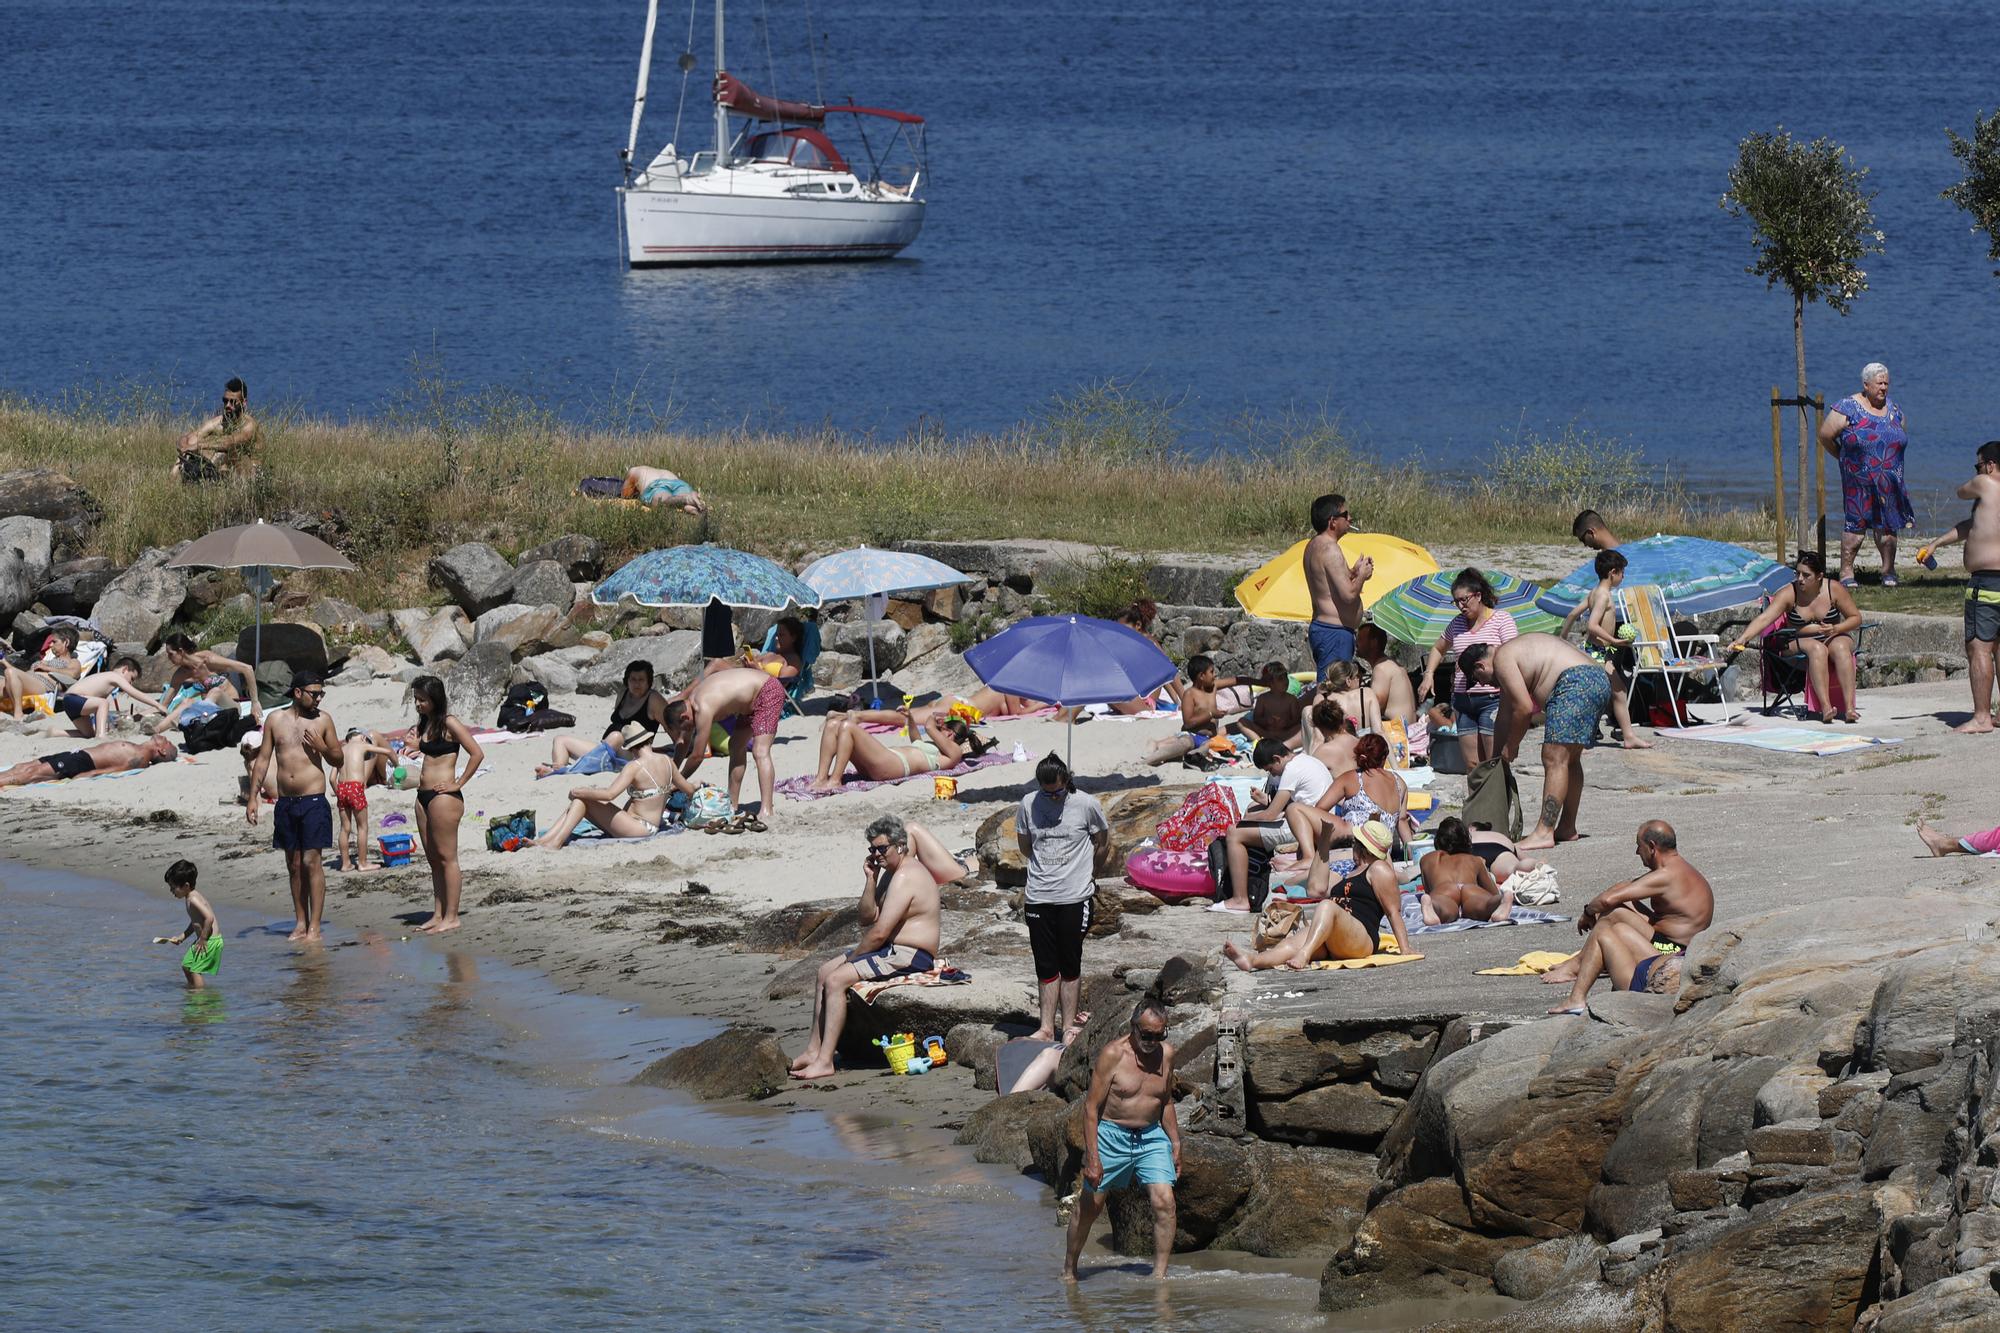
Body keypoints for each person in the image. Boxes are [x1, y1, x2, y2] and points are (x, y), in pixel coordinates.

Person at [787, 817, 968, 1080]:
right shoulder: (892, 873)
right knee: (824, 971)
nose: (877, 854)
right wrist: (871, 879)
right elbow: (866, 917)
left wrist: (855, 959)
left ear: (901, 846)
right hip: (891, 950)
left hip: (911, 955)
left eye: (882, 849)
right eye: (872, 849)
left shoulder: (907, 875)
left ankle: (826, 1061)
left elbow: (880, 932)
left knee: (836, 980)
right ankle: (813, 1051)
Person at [1062, 999, 1180, 1282]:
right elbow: (1091, 1108)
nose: (1152, 1041)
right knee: (1091, 1206)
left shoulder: (1166, 1055)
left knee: (1165, 1202)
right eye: (1146, 1034)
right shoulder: (1113, 1054)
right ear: (1133, 1027)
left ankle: (1159, 1277)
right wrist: (1093, 1157)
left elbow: (1164, 1100)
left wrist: (1175, 1143)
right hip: (1112, 1135)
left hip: (1151, 1136)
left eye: (1159, 1035)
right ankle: (1069, 1271)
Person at [1460, 634, 1611, 850]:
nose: (1483, 684)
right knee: (1569, 759)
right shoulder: (1510, 657)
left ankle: (1544, 832)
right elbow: (1504, 717)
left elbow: (1523, 709)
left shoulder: (1502, 658)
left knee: (1553, 757)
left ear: (1480, 665)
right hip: (1597, 678)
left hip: (1576, 681)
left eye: (1477, 679)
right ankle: (1567, 827)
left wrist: (1512, 745)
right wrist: (1496, 761)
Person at [1546, 821, 1712, 1013]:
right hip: (1671, 947)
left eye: (1638, 846)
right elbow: (1622, 888)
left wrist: (1587, 913)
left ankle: (1577, 978)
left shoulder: (1666, 875)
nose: (1636, 852)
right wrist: (1595, 906)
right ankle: (1579, 965)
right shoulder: (1677, 868)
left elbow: (1608, 900)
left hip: (1672, 948)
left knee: (1611, 917)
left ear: (1651, 847)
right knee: (1615, 914)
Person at [1223, 818, 1410, 969]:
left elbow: (1393, 911)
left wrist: (1405, 948)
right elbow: (1317, 888)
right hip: (1340, 936)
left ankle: (1304, 954)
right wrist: (1324, 842)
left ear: (1361, 847)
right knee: (1294, 942)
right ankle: (1252, 961)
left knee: (1327, 906)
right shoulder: (1352, 872)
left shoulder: (1379, 869)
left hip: (1362, 938)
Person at [1017, 753, 1109, 1042]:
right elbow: (1025, 846)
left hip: (1074, 895)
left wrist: (1090, 871)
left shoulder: (1086, 804)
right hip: (1039, 895)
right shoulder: (1028, 804)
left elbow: (1103, 840)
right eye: (1047, 792)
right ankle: (1046, 1027)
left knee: (1069, 962)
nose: (1053, 797)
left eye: (1057, 791)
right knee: (1045, 964)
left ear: (1066, 780)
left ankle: (1069, 1025)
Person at [246, 671, 342, 941]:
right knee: (294, 864)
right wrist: (253, 797)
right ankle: (300, 922)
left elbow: (338, 759)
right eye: (314, 693)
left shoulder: (324, 720)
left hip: (313, 799)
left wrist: (323, 746)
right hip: (286, 802)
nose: (319, 698)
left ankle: (315, 926)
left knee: (312, 861)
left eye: (321, 693)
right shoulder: (275, 720)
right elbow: (263, 760)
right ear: (298, 693)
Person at [1914, 441, 2000, 733]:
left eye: (1978, 465)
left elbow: (1961, 492)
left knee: (1979, 648)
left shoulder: (1986, 482)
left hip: (1986, 583)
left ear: (1989, 465)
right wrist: (1936, 542)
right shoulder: (1991, 504)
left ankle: (1981, 717)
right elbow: (1972, 525)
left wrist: (1978, 478)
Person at [1724, 552, 1864, 722]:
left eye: (1806, 575)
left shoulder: (1833, 589)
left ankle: (1849, 708)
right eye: (1797, 573)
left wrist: (1836, 628)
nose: (1800, 579)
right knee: (1817, 648)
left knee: (1841, 647)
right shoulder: (1789, 593)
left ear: (1819, 576)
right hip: (1798, 641)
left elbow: (1856, 618)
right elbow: (1765, 618)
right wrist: (1743, 639)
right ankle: (1826, 708)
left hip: (1833, 634)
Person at [534, 711, 694, 848]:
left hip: (639, 828)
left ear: (631, 748)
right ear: (649, 741)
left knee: (580, 798)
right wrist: (699, 786)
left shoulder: (634, 766)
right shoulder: (667, 761)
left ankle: (553, 842)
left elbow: (610, 794)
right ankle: (546, 840)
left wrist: (581, 790)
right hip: (651, 826)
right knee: (580, 800)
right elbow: (687, 789)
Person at [1819, 362, 1913, 588]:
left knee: (1888, 527)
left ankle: (1888, 571)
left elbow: (1901, 435)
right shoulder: (1847, 407)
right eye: (1879, 383)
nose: (1884, 388)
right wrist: (1843, 458)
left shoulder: (1894, 409)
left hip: (1890, 480)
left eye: (1886, 384)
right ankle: (1846, 572)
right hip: (1858, 480)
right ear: (1866, 384)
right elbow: (1825, 436)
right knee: (1855, 525)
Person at [1418, 569, 1520, 773]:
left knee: (1495, 762)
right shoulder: (1457, 623)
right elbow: (1439, 648)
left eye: (1464, 600)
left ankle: (1497, 803)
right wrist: (1429, 674)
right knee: (1472, 765)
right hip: (1463, 700)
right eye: (1456, 602)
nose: (1460, 606)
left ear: (1478, 595)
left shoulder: (1501, 620)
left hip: (1493, 698)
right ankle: (1478, 804)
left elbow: (1513, 656)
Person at [1213, 738, 1331, 912]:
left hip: (1306, 826)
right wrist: (1264, 801)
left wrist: (1243, 820)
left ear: (1277, 758)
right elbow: (1289, 804)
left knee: (1233, 833)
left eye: (1270, 770)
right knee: (1253, 812)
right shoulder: (1307, 760)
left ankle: (1240, 899)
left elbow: (1271, 815)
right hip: (1316, 821)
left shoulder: (1291, 769)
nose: (1274, 775)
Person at [408, 675, 484, 933]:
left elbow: (477, 752)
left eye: (422, 700)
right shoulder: (427, 723)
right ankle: (438, 914)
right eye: (416, 699)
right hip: (423, 797)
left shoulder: (449, 722)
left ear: (435, 699)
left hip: (444, 798)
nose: (418, 704)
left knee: (447, 858)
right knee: (433, 859)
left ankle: (452, 916)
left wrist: (458, 783)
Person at [1297, 734, 1413, 896]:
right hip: (1380, 849)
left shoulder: (1352, 778)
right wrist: (1412, 853)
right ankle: (1396, 876)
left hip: (1353, 845)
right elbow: (1401, 821)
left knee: (1295, 809)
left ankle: (1309, 855)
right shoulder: (1399, 782)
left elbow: (1320, 808)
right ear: (1384, 757)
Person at [674, 665, 785, 818]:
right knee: (735, 745)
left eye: (687, 727)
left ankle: (767, 809)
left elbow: (697, 755)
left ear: (684, 717)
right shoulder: (690, 703)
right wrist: (672, 773)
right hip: (750, 702)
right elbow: (683, 743)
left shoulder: (702, 707)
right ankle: (732, 804)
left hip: (768, 691)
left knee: (760, 751)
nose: (689, 730)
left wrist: (678, 781)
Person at [810, 708, 992, 790]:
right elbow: (915, 738)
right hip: (885, 760)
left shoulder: (954, 754)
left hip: (892, 766)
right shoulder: (932, 746)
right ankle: (821, 778)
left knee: (848, 726)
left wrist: (933, 720)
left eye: (947, 731)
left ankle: (835, 780)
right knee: (834, 724)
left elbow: (928, 727)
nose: (944, 734)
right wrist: (910, 718)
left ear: (953, 736)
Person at [1576, 550, 1652, 746]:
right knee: (1616, 692)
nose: (1623, 576)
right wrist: (1615, 641)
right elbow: (1592, 626)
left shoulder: (1595, 592)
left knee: (1612, 692)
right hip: (1598, 653)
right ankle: (1627, 737)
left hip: (1598, 652)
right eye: (1622, 573)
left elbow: (1573, 613)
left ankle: (1625, 736)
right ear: (1612, 573)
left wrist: (1562, 636)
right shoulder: (1603, 596)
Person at [539, 660, 667, 776]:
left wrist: (678, 753)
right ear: (627, 680)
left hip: (631, 755)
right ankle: (559, 767)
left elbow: (673, 727)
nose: (636, 683)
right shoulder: (623, 694)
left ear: (649, 681)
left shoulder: (654, 699)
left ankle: (569, 769)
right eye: (633, 679)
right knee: (560, 740)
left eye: (641, 680)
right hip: (604, 750)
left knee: (617, 736)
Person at [1303, 493, 1373, 676]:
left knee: (1329, 688)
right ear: (1333, 521)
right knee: (1333, 691)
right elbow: (1349, 595)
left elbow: (1328, 583)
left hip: (1325, 628)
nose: (1350, 518)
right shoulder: (1331, 549)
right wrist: (1363, 576)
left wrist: (1353, 573)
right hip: (1334, 632)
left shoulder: (1313, 545)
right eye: (1345, 514)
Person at [1146, 656, 1255, 765]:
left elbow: (1237, 681)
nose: (1214, 675)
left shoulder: (1214, 687)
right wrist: (1211, 714)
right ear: (1202, 676)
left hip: (1210, 737)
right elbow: (1188, 723)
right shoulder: (1190, 694)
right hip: (1194, 735)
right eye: (1211, 672)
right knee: (1185, 744)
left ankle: (1184, 753)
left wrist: (1261, 682)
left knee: (1218, 739)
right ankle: (1150, 760)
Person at [155, 632, 263, 731]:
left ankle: (188, 720)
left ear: (181, 651)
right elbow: (164, 704)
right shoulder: (181, 674)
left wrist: (255, 702)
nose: (168, 658)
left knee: (216, 691)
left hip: (231, 708)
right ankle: (158, 729)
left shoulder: (209, 660)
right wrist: (145, 712)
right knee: (186, 702)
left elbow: (247, 669)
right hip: (209, 713)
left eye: (170, 654)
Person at [1417, 817, 1514, 925]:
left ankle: (1432, 907)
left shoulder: (1428, 859)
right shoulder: (1474, 860)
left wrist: (1432, 897)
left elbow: (1429, 889)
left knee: (1441, 905)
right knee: (1485, 903)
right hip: (1470, 889)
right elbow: (1493, 891)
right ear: (1466, 840)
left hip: (1444, 889)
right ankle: (1500, 901)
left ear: (1438, 840)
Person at [0, 734, 177, 787]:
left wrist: (87, 774)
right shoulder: (139, 749)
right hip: (75, 755)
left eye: (167, 741)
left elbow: (114, 769)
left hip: (83, 762)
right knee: (22, 766)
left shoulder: (141, 758)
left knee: (29, 774)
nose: (164, 737)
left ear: (161, 751)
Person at [333, 729, 397, 872]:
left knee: (345, 828)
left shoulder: (340, 750)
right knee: (362, 827)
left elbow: (332, 779)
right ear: (362, 737)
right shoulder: (362, 745)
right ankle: (362, 863)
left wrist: (338, 793)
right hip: (355, 788)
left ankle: (345, 864)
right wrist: (397, 766)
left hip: (342, 788)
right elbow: (388, 752)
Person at [54, 658, 168, 737]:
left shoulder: (106, 680)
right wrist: (157, 704)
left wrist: (106, 724)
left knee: (89, 734)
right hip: (74, 698)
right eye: (132, 678)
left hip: (71, 702)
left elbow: (97, 710)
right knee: (103, 703)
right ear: (125, 669)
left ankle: (55, 732)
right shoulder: (114, 676)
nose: (131, 683)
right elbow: (134, 693)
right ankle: (101, 736)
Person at [174, 377, 260, 483]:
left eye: (233, 402)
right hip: (226, 474)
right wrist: (185, 446)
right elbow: (189, 438)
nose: (228, 405)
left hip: (253, 478)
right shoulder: (218, 422)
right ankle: (171, 486)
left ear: (244, 403)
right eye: (225, 401)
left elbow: (229, 442)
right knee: (186, 452)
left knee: (231, 451)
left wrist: (198, 446)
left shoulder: (249, 425)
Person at [153, 860, 221, 988]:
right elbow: (196, 921)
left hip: (210, 940)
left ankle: (200, 997)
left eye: (173, 887)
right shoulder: (189, 897)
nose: (171, 891)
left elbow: (209, 918)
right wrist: (182, 936)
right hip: (205, 939)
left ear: (186, 886)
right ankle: (193, 990)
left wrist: (203, 939)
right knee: (187, 966)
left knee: (194, 969)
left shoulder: (193, 899)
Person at [1354, 624, 1421, 751]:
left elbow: (1375, 705)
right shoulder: (1392, 665)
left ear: (1373, 642)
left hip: (1397, 737)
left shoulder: (1382, 668)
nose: (1356, 643)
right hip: (1407, 731)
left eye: (1360, 639)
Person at [2, 626, 83, 718]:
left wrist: (46, 668)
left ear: (66, 642)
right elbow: (15, 674)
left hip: (43, 685)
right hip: (24, 683)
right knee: (6, 676)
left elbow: (73, 674)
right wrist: (4, 662)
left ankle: (18, 712)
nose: (50, 645)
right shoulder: (46, 661)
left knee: (11, 672)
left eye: (54, 642)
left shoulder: (73, 661)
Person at [699, 616, 805, 683]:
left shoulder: (793, 661)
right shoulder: (769, 654)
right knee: (717, 663)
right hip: (745, 678)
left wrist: (757, 669)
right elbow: (749, 665)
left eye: (781, 635)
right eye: (776, 635)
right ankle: (686, 698)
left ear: (793, 637)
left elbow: (779, 684)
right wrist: (746, 662)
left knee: (716, 667)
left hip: (756, 689)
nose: (776, 638)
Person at [1230, 662, 1304, 746]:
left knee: (1301, 727)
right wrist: (1267, 721)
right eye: (1280, 679)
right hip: (1266, 733)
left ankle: (1286, 744)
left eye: (1285, 677)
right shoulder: (1263, 699)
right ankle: (1259, 743)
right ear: (1270, 683)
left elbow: (1296, 720)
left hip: (1284, 733)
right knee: (1241, 722)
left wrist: (1286, 722)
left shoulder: (1291, 700)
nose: (1285, 681)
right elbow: (1257, 719)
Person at [621, 465, 707, 514]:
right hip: (679, 483)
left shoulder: (633, 470)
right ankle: (692, 506)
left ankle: (686, 499)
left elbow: (625, 495)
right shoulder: (663, 471)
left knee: (663, 502)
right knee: (678, 504)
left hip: (657, 484)